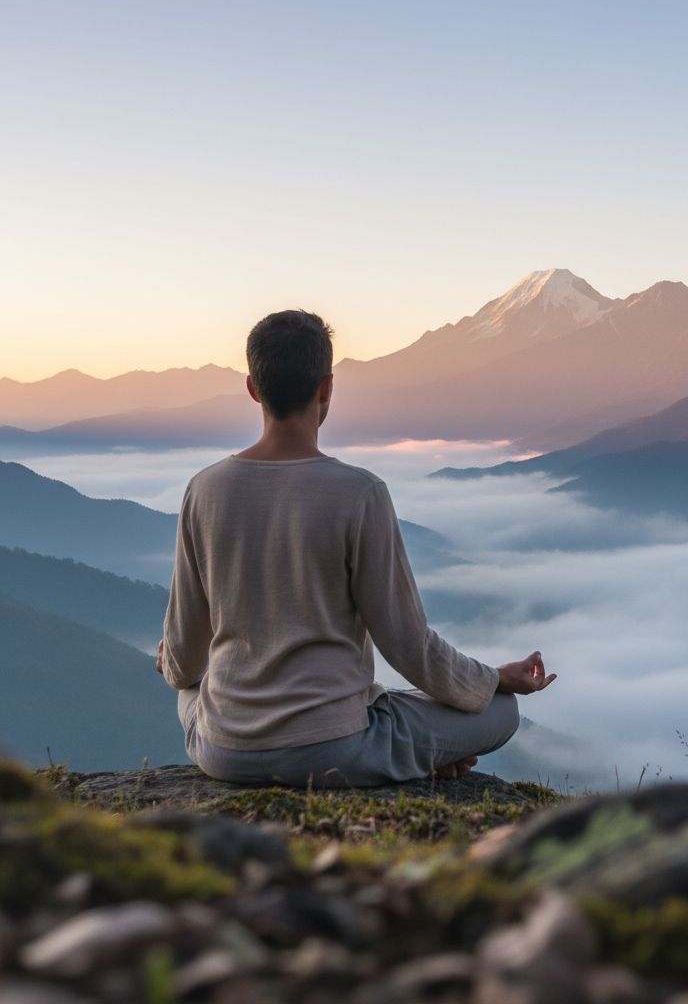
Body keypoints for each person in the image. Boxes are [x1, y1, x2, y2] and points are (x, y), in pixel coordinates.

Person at [157, 309, 555, 788]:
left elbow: (182, 658)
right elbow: (410, 646)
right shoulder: (359, 494)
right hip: (334, 750)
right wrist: (493, 680)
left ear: (252, 388)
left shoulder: (204, 490)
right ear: (326, 389)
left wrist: (170, 660)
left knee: (191, 688)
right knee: (502, 713)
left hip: (225, 751)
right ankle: (408, 760)